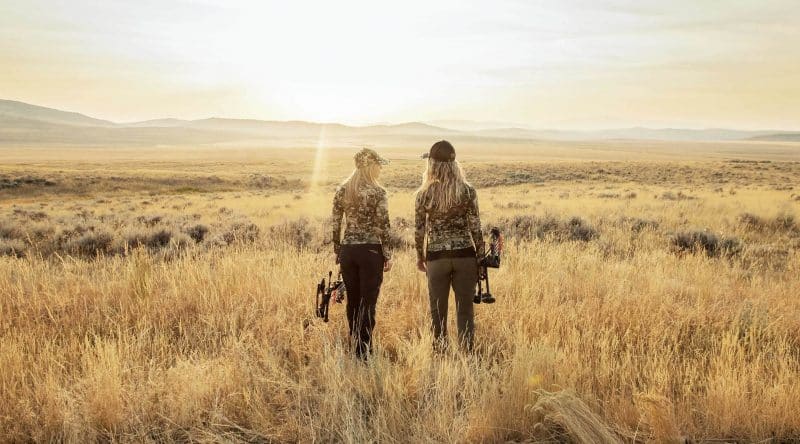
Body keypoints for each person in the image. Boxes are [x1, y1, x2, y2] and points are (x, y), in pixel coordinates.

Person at [415, 140, 483, 351]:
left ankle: (440, 350)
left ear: (432, 165)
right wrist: (480, 257)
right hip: (465, 256)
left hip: (437, 257)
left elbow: (419, 230)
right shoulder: (468, 191)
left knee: (438, 309)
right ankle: (467, 353)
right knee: (465, 309)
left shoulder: (424, 194)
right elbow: (476, 227)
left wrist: (420, 256)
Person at [331, 148, 393, 360]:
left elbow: (336, 222)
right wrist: (387, 253)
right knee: (369, 301)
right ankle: (364, 351)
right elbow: (384, 225)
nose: (381, 169)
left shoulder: (342, 189)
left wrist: (338, 250)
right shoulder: (378, 192)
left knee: (353, 301)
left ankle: (355, 342)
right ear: (371, 166)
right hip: (370, 252)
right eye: (379, 165)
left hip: (349, 251)